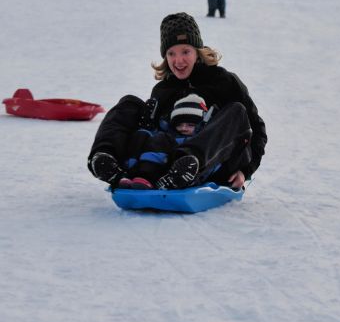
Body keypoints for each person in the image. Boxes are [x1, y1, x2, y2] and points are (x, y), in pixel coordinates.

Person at [88, 12, 267, 192]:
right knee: (129, 103)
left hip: (214, 162)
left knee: (237, 111)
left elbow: (256, 128)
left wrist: (246, 170)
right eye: (171, 53)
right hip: (166, 165)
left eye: (185, 52)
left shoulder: (224, 81)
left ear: (198, 52)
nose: (178, 60)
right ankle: (106, 159)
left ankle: (189, 165)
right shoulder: (163, 90)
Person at [117, 93, 211, 189]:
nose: (183, 128)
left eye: (190, 125)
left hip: (195, 171)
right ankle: (134, 175)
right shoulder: (168, 137)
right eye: (179, 125)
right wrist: (144, 129)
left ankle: (177, 179)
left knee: (191, 157)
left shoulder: (205, 139)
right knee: (148, 136)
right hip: (160, 171)